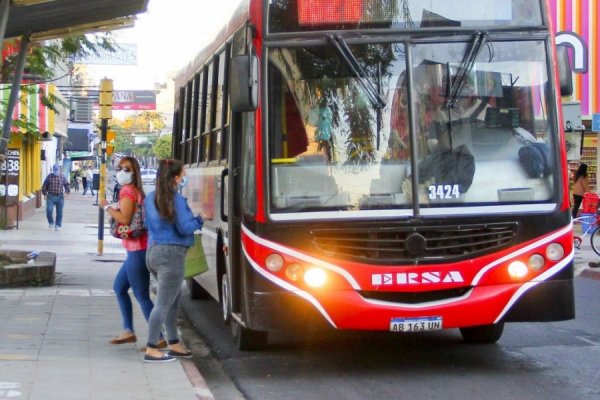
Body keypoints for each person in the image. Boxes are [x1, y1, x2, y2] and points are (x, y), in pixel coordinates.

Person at [98, 157, 165, 348]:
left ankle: (158, 336)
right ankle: (128, 330)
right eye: (119, 168)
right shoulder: (136, 191)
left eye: (126, 169)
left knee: (142, 295)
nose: (121, 171)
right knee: (119, 288)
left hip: (138, 250)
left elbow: (125, 219)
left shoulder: (128, 191)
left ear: (134, 171)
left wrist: (107, 207)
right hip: (136, 250)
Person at [143, 158, 203, 363]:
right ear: (176, 178)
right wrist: (201, 218)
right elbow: (185, 227)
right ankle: (151, 347)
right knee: (163, 304)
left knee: (172, 301)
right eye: (183, 175)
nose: (184, 178)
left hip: (153, 252)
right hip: (172, 255)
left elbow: (146, 225)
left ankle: (174, 343)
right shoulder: (176, 200)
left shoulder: (150, 198)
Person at [41, 164, 70, 231]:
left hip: (60, 196)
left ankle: (58, 225)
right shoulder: (49, 176)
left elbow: (67, 185)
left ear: (59, 170)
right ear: (53, 170)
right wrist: (44, 194)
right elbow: (44, 186)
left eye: (57, 170)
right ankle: (51, 222)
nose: (56, 172)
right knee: (49, 210)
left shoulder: (62, 177)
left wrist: (66, 192)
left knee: (59, 212)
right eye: (55, 170)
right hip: (50, 196)